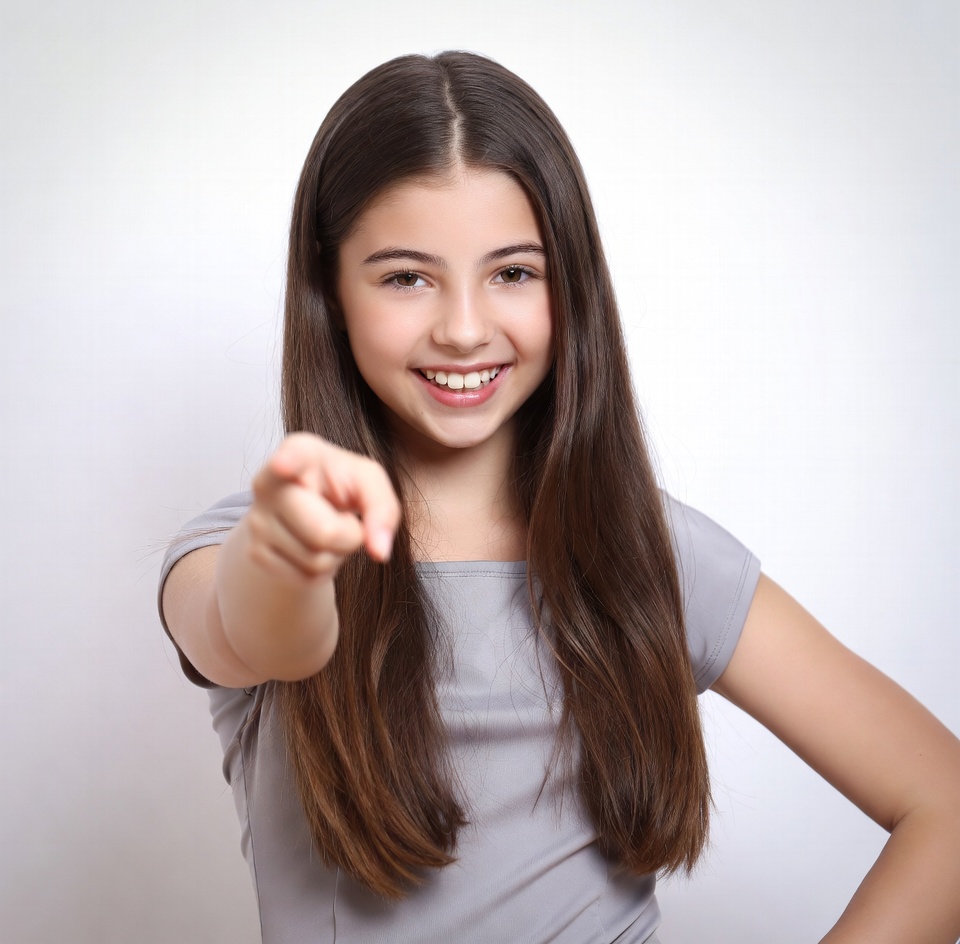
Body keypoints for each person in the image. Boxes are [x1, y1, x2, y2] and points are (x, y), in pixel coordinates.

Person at [158, 51, 960, 944]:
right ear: (329, 292)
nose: (464, 328)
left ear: (569, 284)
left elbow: (947, 806)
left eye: (512, 273)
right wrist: (289, 555)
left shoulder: (650, 551)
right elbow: (259, 634)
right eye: (405, 277)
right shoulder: (244, 544)